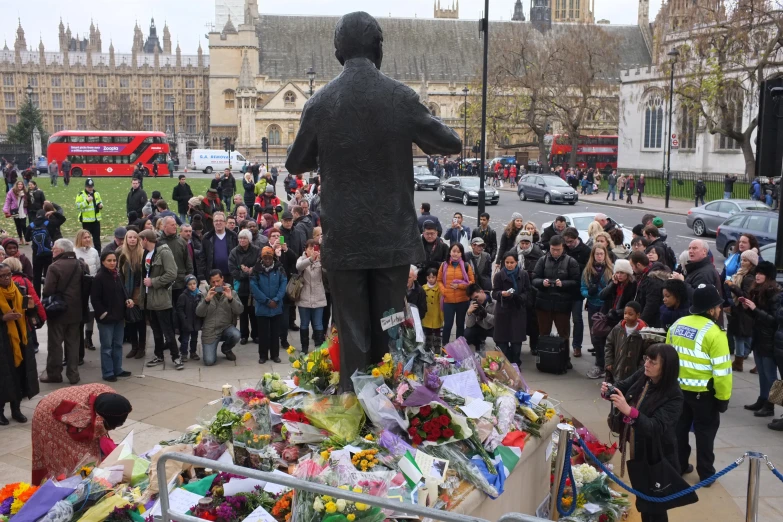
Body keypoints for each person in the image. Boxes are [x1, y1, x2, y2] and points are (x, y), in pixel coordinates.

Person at [602, 343, 684, 522]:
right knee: (644, 501)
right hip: (639, 451)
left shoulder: (674, 395)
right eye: (646, 359)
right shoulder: (644, 375)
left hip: (657, 456)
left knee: (655, 506)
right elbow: (623, 385)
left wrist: (628, 410)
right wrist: (610, 391)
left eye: (653, 362)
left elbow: (655, 427)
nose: (646, 364)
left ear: (666, 367)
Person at [666, 284, 732, 483]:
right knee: (705, 434)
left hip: (677, 391)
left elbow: (667, 356)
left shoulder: (678, 324)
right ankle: (706, 474)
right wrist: (723, 398)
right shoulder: (715, 332)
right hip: (703, 394)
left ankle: (679, 466)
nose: (720, 310)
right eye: (718, 307)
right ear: (711, 309)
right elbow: (722, 372)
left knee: (678, 431)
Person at [31, 384, 131, 484]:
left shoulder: (109, 395)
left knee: (91, 455)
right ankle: (64, 487)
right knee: (75, 461)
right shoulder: (82, 418)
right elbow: (84, 451)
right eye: (110, 426)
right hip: (48, 415)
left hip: (60, 404)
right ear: (100, 418)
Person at [736, 261, 780, 417]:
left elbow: (774, 321)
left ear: (768, 276)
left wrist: (756, 309)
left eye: (762, 273)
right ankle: (762, 399)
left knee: (771, 375)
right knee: (762, 372)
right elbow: (758, 317)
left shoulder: (775, 294)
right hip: (759, 338)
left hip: (769, 340)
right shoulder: (758, 290)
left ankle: (770, 405)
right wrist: (749, 309)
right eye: (757, 273)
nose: (758, 275)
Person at [41, 239, 85, 384]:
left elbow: (48, 290)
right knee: (73, 344)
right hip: (76, 311)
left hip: (58, 311)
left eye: (54, 248)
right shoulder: (81, 264)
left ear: (60, 250)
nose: (52, 250)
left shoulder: (54, 267)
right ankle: (74, 375)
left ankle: (54, 374)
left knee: (55, 344)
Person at [0, 262, 38, 426]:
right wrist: (2, 318)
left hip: (21, 338)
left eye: (8, 274)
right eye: (2, 276)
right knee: (3, 376)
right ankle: (0, 412)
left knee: (19, 374)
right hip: (3, 341)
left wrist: (31, 307)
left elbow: (29, 313)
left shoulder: (18, 289)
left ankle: (16, 409)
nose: (6, 278)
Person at [139, 229, 182, 370]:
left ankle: (176, 357)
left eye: (141, 239)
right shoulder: (146, 253)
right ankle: (158, 355)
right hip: (149, 299)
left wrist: (154, 281)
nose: (140, 242)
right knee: (156, 331)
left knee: (167, 331)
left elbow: (172, 273)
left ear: (145, 239)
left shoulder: (163, 252)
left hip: (161, 299)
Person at [532, 235, 581, 357]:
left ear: (563, 247)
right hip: (544, 303)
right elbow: (534, 279)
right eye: (553, 249)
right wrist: (542, 283)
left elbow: (577, 282)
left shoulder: (571, 261)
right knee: (543, 333)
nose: (555, 252)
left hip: (562, 304)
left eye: (558, 249)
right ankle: (544, 358)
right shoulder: (542, 260)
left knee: (563, 334)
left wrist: (563, 284)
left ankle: (564, 359)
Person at [91, 251, 132, 383]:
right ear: (103, 262)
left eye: (114, 260)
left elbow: (122, 292)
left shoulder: (117, 275)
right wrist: (103, 314)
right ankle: (108, 372)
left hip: (119, 316)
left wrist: (127, 300)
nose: (112, 263)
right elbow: (95, 300)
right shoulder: (99, 277)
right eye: (109, 260)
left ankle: (117, 369)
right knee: (107, 347)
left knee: (118, 345)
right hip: (106, 318)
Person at [196, 269, 243, 366]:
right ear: (209, 282)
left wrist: (230, 299)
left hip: (226, 327)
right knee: (209, 361)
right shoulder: (205, 294)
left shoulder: (231, 292)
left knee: (236, 334)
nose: (216, 284)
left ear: (223, 279)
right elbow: (199, 313)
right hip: (210, 331)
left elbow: (240, 310)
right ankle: (212, 346)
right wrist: (207, 300)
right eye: (213, 282)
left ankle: (226, 348)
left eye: (218, 281)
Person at [724, 248, 759, 372]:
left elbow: (744, 295)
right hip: (740, 310)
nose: (742, 262)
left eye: (745, 260)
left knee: (740, 336)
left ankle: (739, 361)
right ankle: (743, 357)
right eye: (742, 259)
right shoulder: (744, 273)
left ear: (751, 262)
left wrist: (731, 285)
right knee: (743, 335)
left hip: (743, 311)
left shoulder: (749, 277)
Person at [251, 246, 287, 364]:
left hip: (276, 306)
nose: (267, 260)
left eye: (269, 258)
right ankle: (263, 355)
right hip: (262, 306)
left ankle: (275, 355)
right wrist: (266, 301)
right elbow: (254, 287)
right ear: (261, 258)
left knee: (275, 332)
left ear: (273, 258)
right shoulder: (256, 270)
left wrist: (276, 299)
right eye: (265, 258)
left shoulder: (279, 268)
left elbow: (283, 284)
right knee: (263, 333)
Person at [492, 253, 529, 365]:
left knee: (516, 341)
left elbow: (528, 291)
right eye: (507, 262)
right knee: (502, 341)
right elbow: (494, 292)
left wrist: (520, 297)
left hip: (518, 310)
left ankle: (515, 363)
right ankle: (504, 364)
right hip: (503, 311)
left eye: (512, 262)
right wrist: (501, 294)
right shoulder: (499, 275)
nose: (509, 265)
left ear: (516, 262)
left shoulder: (523, 274)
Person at [583, 245, 614, 379]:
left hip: (606, 307)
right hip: (593, 306)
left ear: (605, 255)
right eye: (597, 254)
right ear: (593, 255)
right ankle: (599, 364)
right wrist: (589, 293)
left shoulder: (611, 269)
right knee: (595, 335)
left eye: (601, 254)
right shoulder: (588, 270)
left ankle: (607, 365)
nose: (599, 256)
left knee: (607, 337)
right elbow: (582, 288)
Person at [438, 243, 475, 346]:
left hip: (462, 300)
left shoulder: (466, 266)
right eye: (454, 251)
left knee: (460, 325)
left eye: (458, 252)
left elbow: (472, 282)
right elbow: (439, 280)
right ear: (450, 252)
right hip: (448, 300)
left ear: (461, 253)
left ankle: (460, 346)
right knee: (448, 325)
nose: (456, 254)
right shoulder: (443, 265)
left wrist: (459, 286)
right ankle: (445, 346)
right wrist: (444, 291)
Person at [118, 230, 147, 360]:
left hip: (139, 291)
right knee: (130, 321)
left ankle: (141, 347)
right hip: (127, 291)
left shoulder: (142, 254)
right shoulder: (122, 254)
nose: (132, 240)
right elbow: (120, 274)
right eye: (130, 237)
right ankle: (134, 347)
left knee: (140, 321)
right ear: (126, 239)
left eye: (135, 237)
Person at [604, 301, 649, 383]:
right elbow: (609, 344)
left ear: (638, 315)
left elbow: (646, 352)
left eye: (630, 314)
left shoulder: (643, 332)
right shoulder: (618, 329)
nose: (626, 316)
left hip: (634, 371)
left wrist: (640, 368)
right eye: (625, 313)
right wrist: (609, 361)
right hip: (617, 368)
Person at [230, 229, 261, 347]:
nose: (242, 240)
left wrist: (250, 271)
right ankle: (244, 335)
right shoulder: (234, 252)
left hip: (253, 286)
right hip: (241, 286)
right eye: (240, 238)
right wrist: (246, 273)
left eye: (244, 238)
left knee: (254, 312)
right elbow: (233, 269)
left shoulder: (256, 250)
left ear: (249, 240)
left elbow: (258, 266)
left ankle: (256, 334)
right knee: (242, 312)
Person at [158, 217, 193, 321]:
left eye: (175, 224)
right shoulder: (158, 243)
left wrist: (189, 277)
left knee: (181, 310)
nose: (175, 226)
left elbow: (188, 262)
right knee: (167, 312)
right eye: (172, 225)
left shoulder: (181, 242)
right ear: (164, 227)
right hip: (165, 284)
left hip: (180, 283)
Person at [296, 239, 328, 353]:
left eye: (315, 248)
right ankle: (304, 348)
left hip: (318, 296)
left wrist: (322, 261)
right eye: (310, 248)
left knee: (318, 323)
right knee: (304, 323)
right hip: (304, 297)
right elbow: (299, 267)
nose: (313, 251)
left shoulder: (321, 260)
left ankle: (319, 347)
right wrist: (310, 259)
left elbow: (327, 274)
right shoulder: (302, 259)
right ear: (306, 249)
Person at [629, 251, 670, 329]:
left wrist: (640, 323)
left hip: (651, 323)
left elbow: (651, 305)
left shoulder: (653, 280)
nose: (632, 269)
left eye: (632, 266)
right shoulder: (643, 275)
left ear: (638, 265)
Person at [75, 229, 100, 354]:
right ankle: (83, 338)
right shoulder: (75, 253)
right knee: (86, 312)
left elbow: (98, 266)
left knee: (93, 311)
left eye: (89, 237)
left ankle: (88, 337)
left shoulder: (94, 252)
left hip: (94, 285)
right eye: (85, 237)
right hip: (82, 287)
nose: (88, 239)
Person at [198, 212, 239, 286]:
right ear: (213, 223)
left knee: (229, 295)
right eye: (216, 221)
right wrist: (203, 275)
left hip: (230, 275)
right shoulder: (207, 237)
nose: (218, 223)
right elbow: (202, 257)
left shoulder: (233, 236)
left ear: (225, 222)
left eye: (221, 221)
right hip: (214, 277)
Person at [176, 275, 203, 361]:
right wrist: (184, 319)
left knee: (194, 339)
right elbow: (179, 309)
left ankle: (193, 352)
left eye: (194, 283)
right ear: (186, 285)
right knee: (185, 339)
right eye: (190, 284)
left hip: (196, 321)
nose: (192, 286)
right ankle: (184, 353)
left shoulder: (199, 294)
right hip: (187, 321)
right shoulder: (183, 296)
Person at [417, 220, 450, 285]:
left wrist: (434, 264)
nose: (429, 236)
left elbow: (448, 263)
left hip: (437, 279)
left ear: (436, 233)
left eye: (432, 233)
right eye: (427, 234)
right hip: (421, 279)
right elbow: (412, 261)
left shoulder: (443, 246)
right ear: (423, 233)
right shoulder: (417, 245)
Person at [464, 283, 495, 351]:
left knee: (500, 336)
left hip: (493, 327)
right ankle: (478, 343)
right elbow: (469, 325)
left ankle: (503, 349)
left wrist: (486, 315)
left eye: (477, 297)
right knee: (467, 333)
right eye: (473, 299)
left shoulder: (494, 301)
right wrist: (469, 313)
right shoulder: (473, 303)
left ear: (482, 292)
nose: (476, 300)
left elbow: (498, 321)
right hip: (480, 327)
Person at [75, 178, 103, 251]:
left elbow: (99, 201)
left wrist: (100, 205)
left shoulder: (96, 193)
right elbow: (78, 206)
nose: (90, 188)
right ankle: (86, 251)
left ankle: (98, 253)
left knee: (97, 238)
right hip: (86, 221)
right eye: (89, 187)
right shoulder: (80, 195)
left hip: (96, 220)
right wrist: (87, 201)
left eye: (91, 187)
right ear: (85, 187)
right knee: (86, 238)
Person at [421, 268, 444, 352]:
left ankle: (437, 345)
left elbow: (441, 301)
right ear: (426, 278)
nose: (431, 279)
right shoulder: (423, 288)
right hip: (427, 313)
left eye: (433, 277)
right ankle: (428, 345)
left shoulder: (439, 288)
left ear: (436, 277)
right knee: (428, 330)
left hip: (436, 312)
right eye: (429, 277)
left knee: (437, 330)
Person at [4, 180, 28, 245]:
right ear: (16, 185)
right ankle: (20, 239)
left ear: (23, 185)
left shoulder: (25, 192)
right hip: (15, 210)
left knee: (23, 225)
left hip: (23, 210)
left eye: (21, 184)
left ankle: (26, 239)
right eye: (19, 184)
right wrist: (5, 209)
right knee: (18, 225)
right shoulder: (12, 191)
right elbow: (7, 201)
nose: (20, 185)